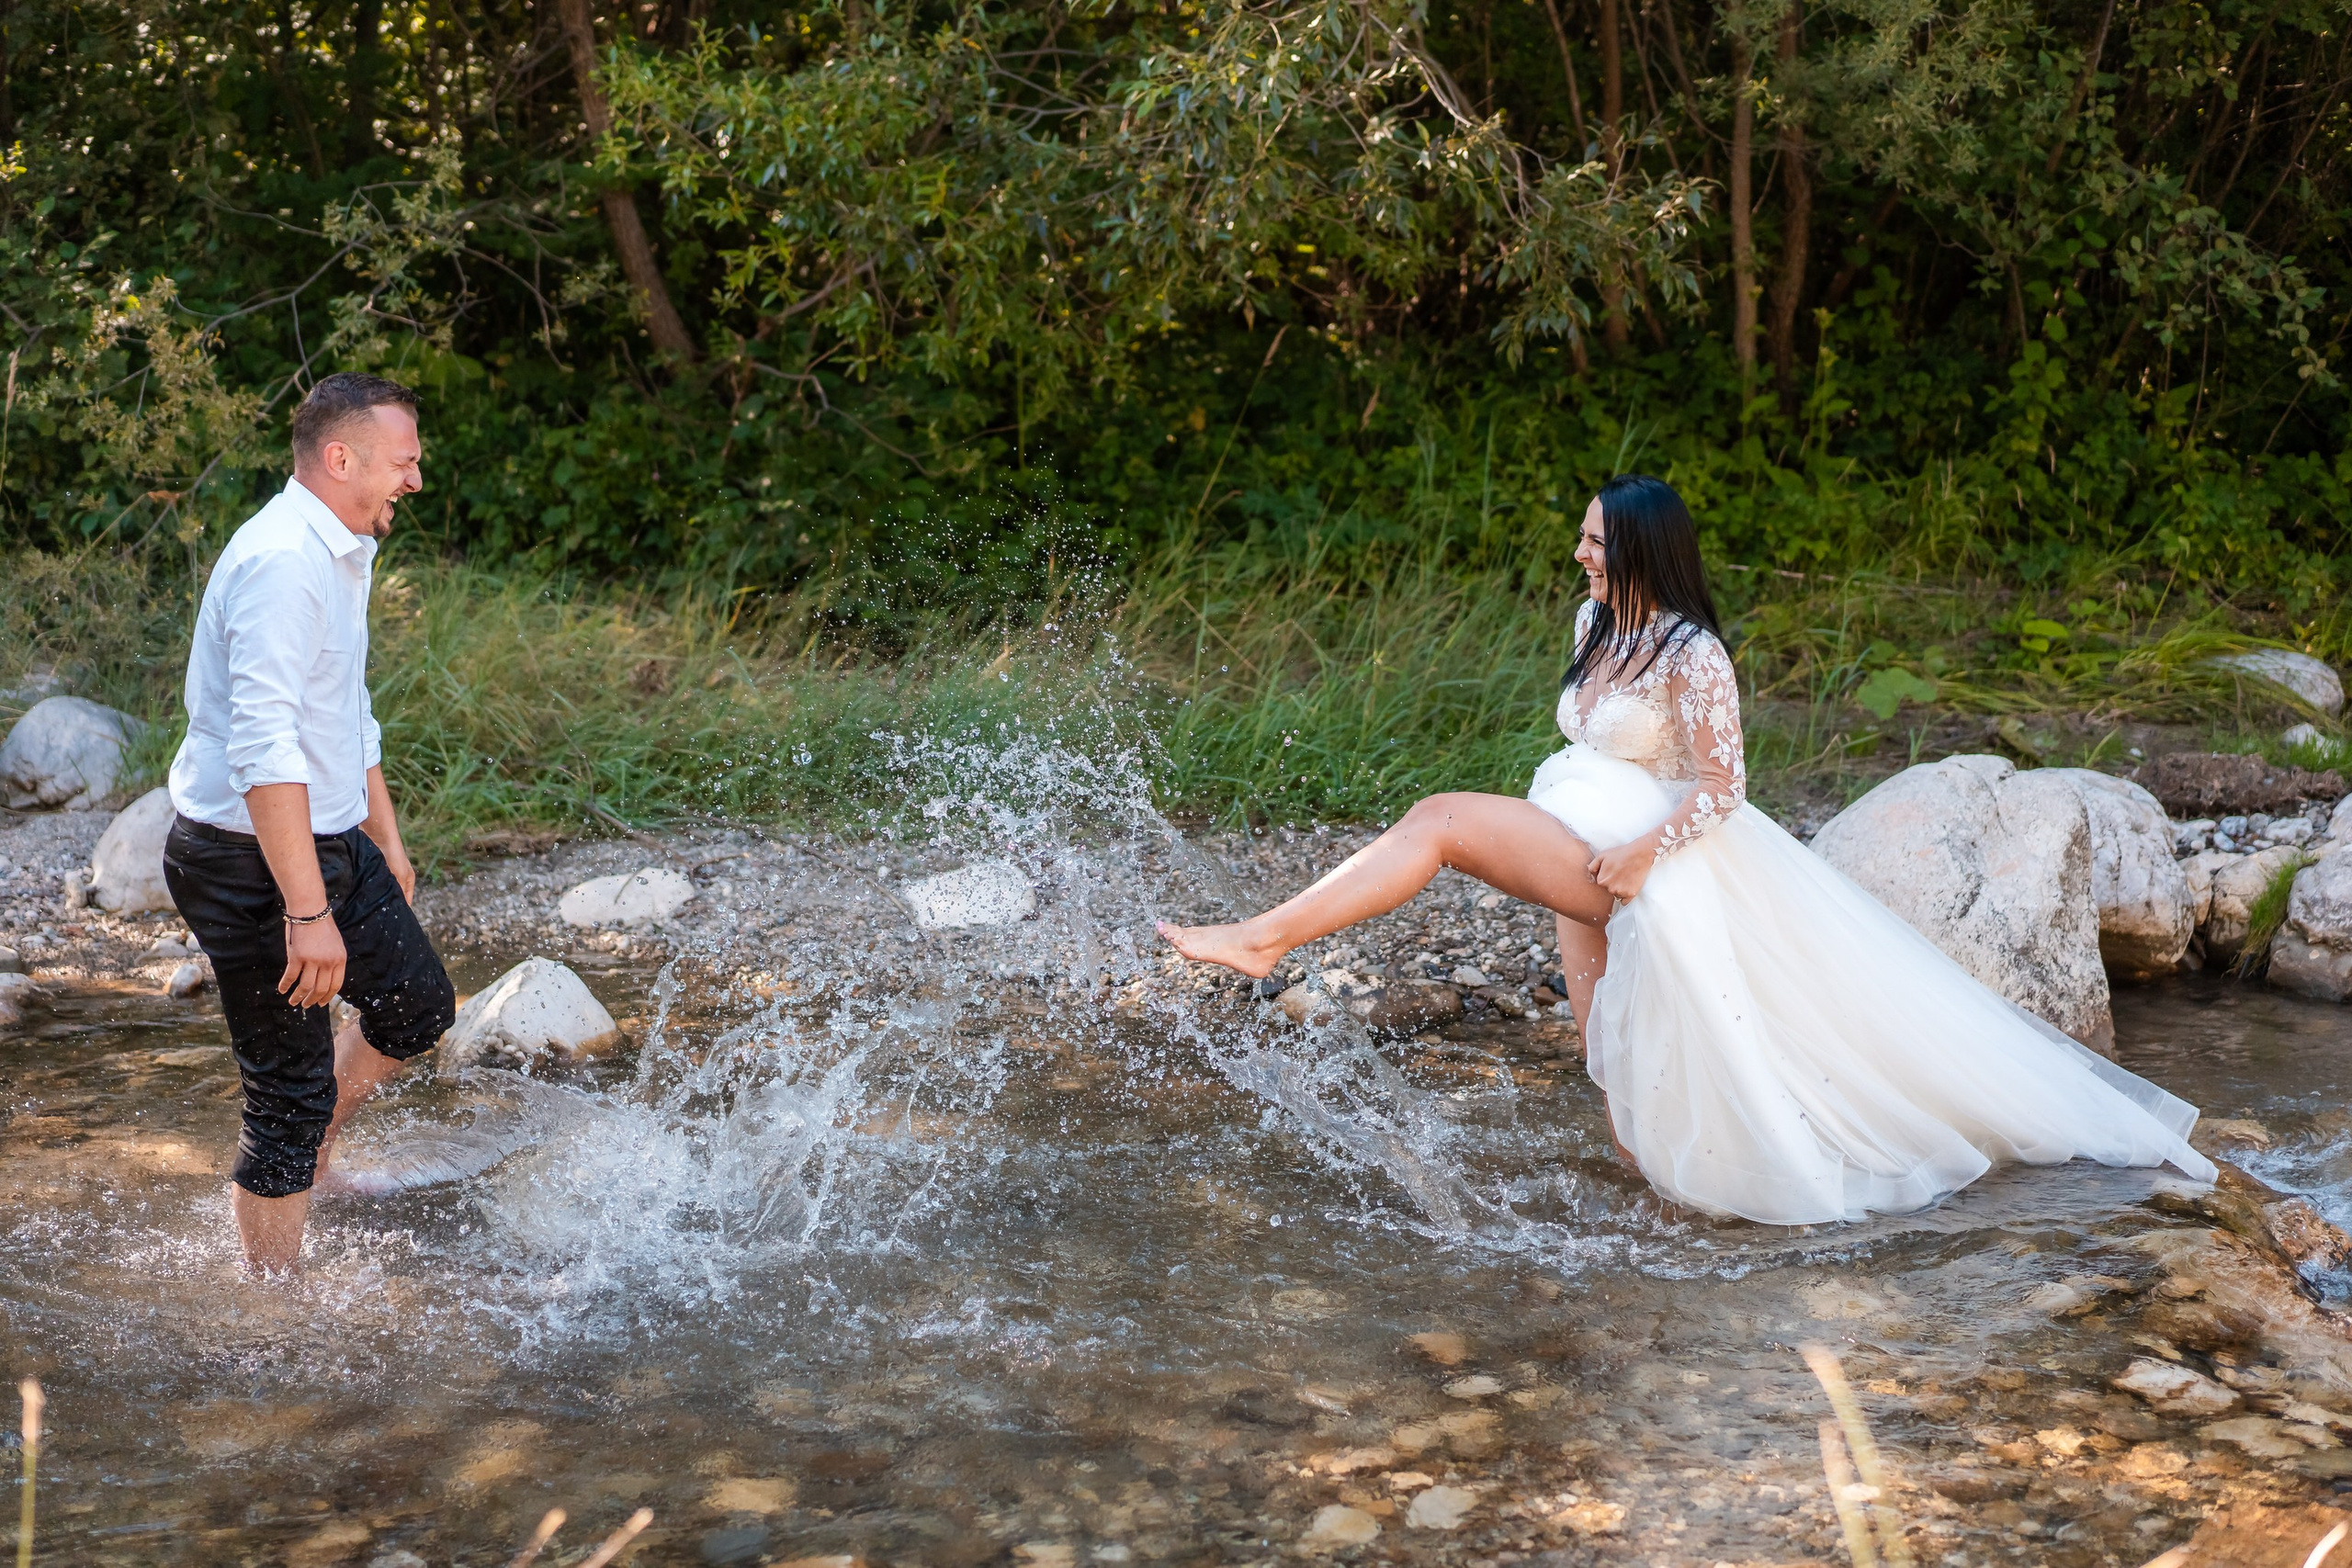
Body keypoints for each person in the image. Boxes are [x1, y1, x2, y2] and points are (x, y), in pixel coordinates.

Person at [1159, 473, 2216, 1224]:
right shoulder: (1591, 624)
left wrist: (1643, 857)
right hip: (1587, 831)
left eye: (1593, 539)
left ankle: (1263, 937)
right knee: (1607, 1064)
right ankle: (1658, 1206)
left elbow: (1725, 787)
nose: (1578, 551)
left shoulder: (1692, 650)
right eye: (1581, 536)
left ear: (1640, 550)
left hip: (1640, 862)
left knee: (1438, 819)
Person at [163, 371, 458, 1274]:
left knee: (415, 1006)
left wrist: (385, 840)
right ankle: (272, 1308)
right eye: (403, 462)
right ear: (342, 458)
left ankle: (312, 1159)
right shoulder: (283, 561)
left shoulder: (340, 547)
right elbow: (263, 750)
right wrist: (305, 910)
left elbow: (341, 707)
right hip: (246, 859)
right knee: (284, 1093)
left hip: (323, 841)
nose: (414, 479)